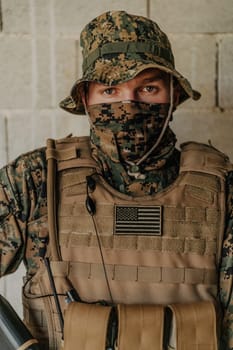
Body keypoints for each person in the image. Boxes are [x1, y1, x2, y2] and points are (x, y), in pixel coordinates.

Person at [0, 10, 232, 350]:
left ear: (174, 96)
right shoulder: (35, 182)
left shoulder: (222, 189)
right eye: (110, 90)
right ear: (85, 99)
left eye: (148, 88)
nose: (129, 105)